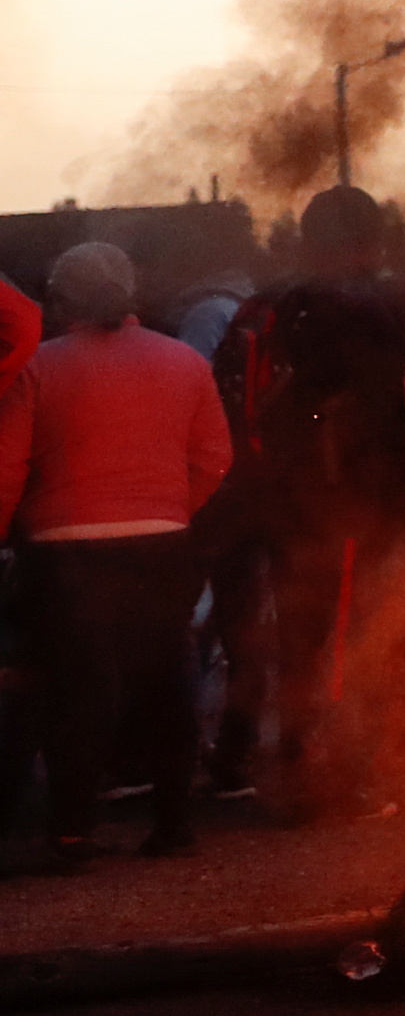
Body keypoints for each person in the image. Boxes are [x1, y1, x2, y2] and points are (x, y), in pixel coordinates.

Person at [0, 242, 233, 869]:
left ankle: (72, 834)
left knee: (78, 692)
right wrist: (171, 508)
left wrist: (9, 535)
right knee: (166, 685)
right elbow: (215, 457)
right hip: (160, 546)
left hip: (64, 555)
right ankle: (174, 824)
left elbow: (7, 467)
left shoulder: (36, 369)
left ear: (60, 301)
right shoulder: (185, 362)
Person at [230, 186, 405, 817]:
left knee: (301, 641)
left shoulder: (266, 306)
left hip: (285, 505)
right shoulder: (369, 308)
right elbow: (398, 409)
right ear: (369, 242)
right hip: (354, 506)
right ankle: (336, 781)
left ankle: (300, 766)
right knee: (363, 645)